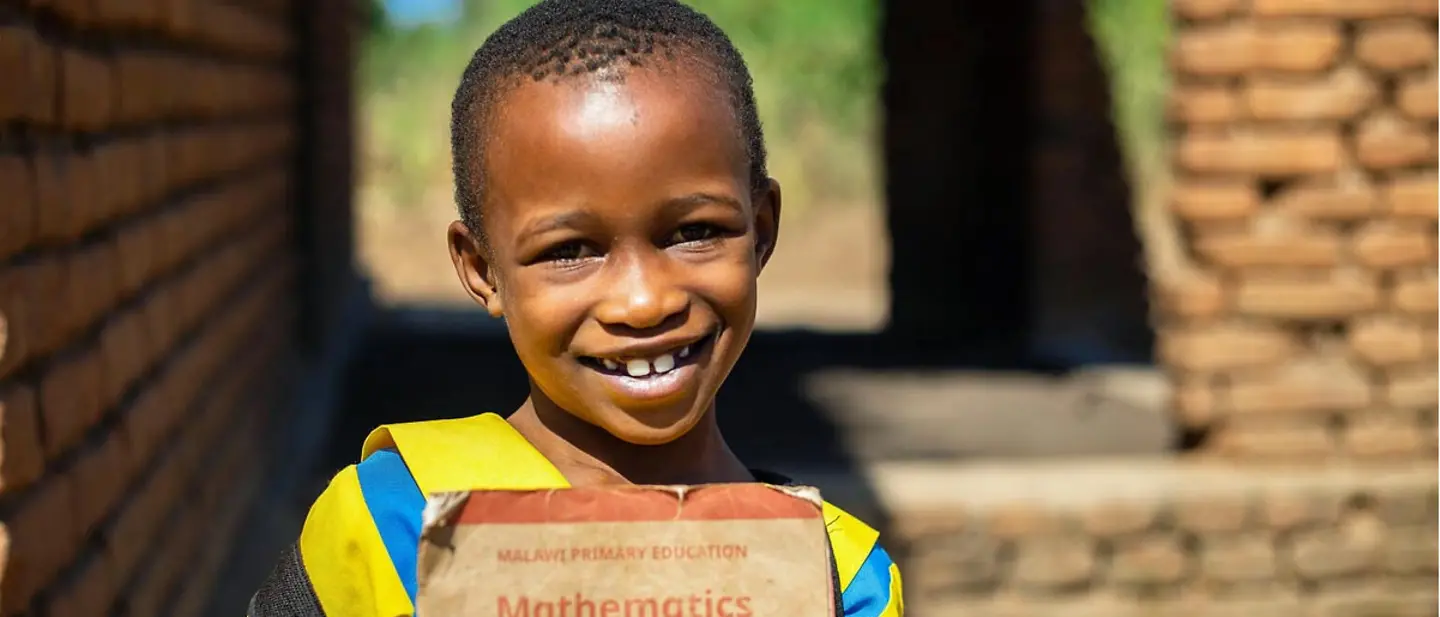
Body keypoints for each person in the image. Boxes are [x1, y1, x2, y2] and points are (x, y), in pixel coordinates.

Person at [247, 1, 903, 615]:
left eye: (694, 231)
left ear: (760, 230)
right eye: (571, 249)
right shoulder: (393, 523)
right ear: (482, 270)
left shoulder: (840, 579)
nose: (644, 302)